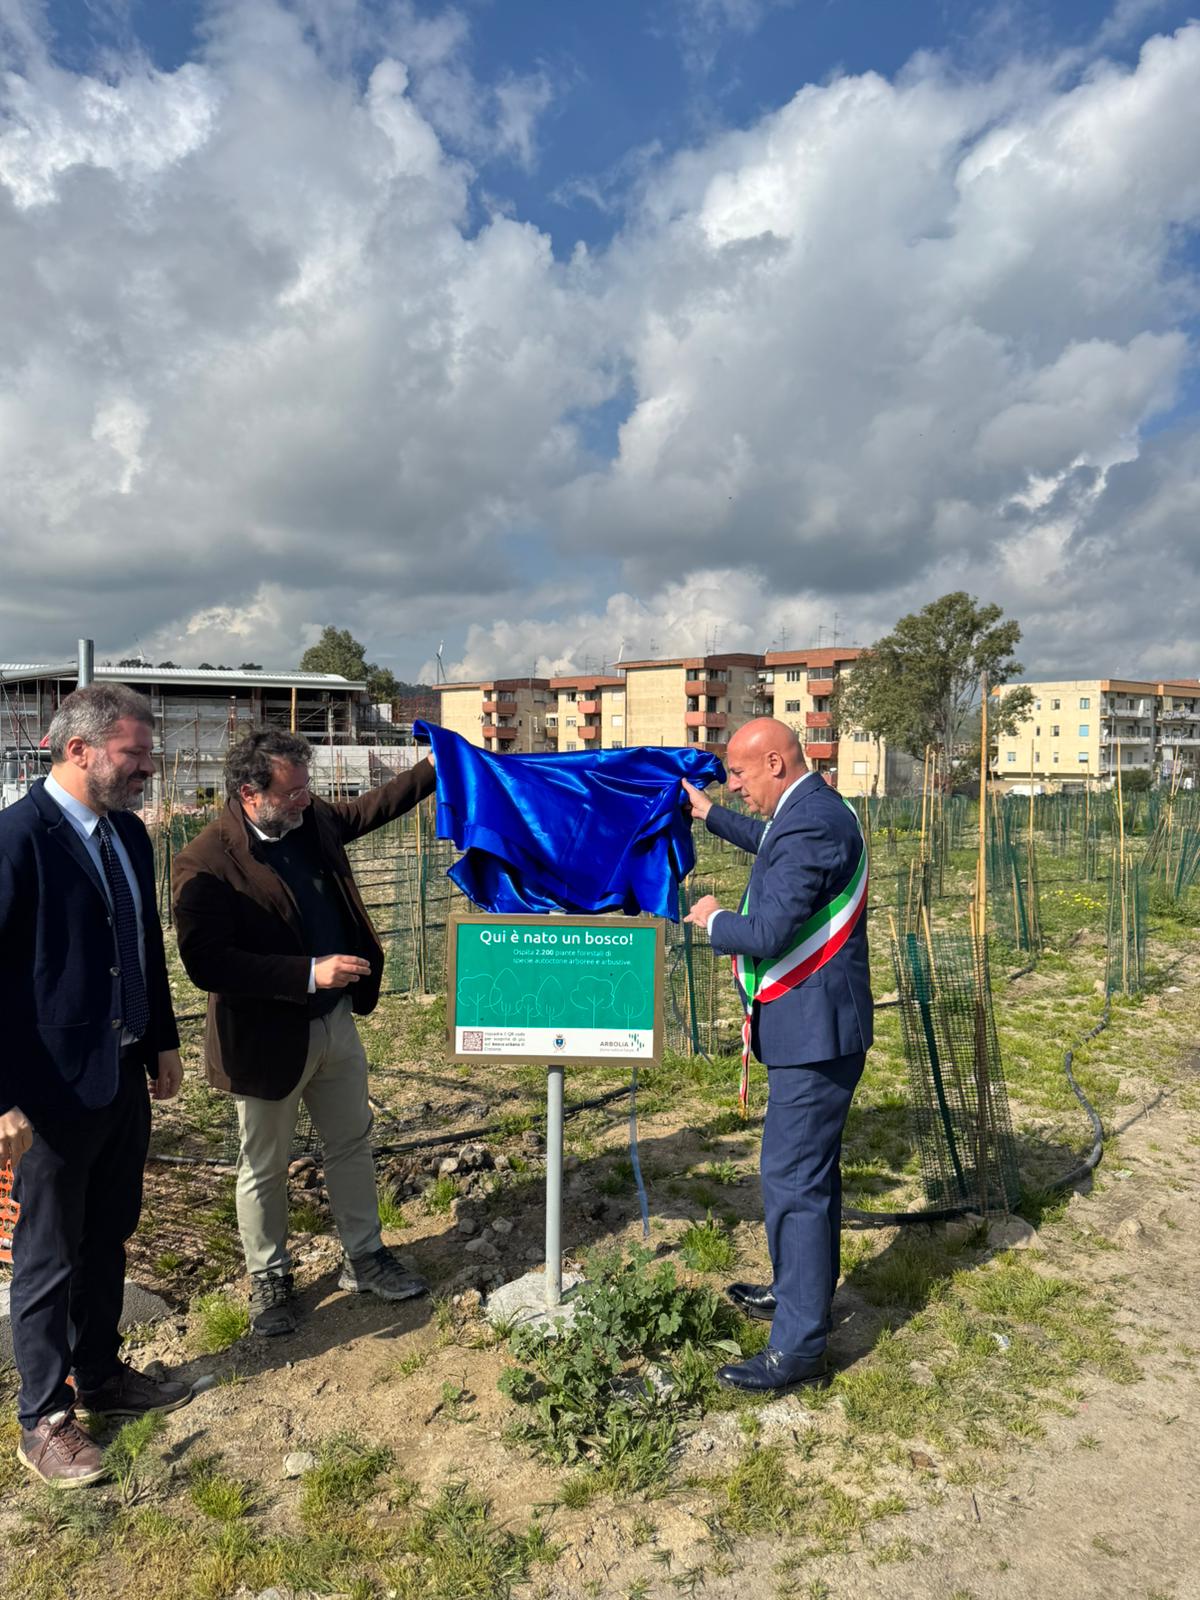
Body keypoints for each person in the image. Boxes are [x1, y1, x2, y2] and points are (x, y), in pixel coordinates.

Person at [172, 730, 436, 1337]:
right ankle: (269, 1280)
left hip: (334, 1024)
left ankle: (364, 1257)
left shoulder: (308, 820)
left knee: (351, 1143)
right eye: (292, 792)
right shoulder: (205, 861)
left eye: (306, 788)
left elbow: (369, 809)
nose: (306, 799)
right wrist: (308, 974)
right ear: (250, 794)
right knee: (264, 1164)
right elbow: (207, 963)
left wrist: (435, 767)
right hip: (265, 1037)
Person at [0, 685, 191, 1488]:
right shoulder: (18, 839)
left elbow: (142, 942)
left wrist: (161, 1040)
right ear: (77, 749)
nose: (148, 767)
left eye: (149, 753)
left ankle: (101, 1374)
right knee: (46, 1256)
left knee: (108, 1233)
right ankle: (43, 1420)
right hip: (48, 1090)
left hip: (120, 1076)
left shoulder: (128, 836)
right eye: (133, 754)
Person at [682, 717, 872, 1393]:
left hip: (816, 1037)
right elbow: (770, 842)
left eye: (737, 774)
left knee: (792, 1181)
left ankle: (798, 1349)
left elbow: (765, 932)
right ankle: (798, 1293)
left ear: (774, 764)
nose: (733, 785)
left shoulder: (811, 822)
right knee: (806, 1179)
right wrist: (709, 815)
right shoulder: (812, 808)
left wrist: (712, 919)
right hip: (813, 1031)